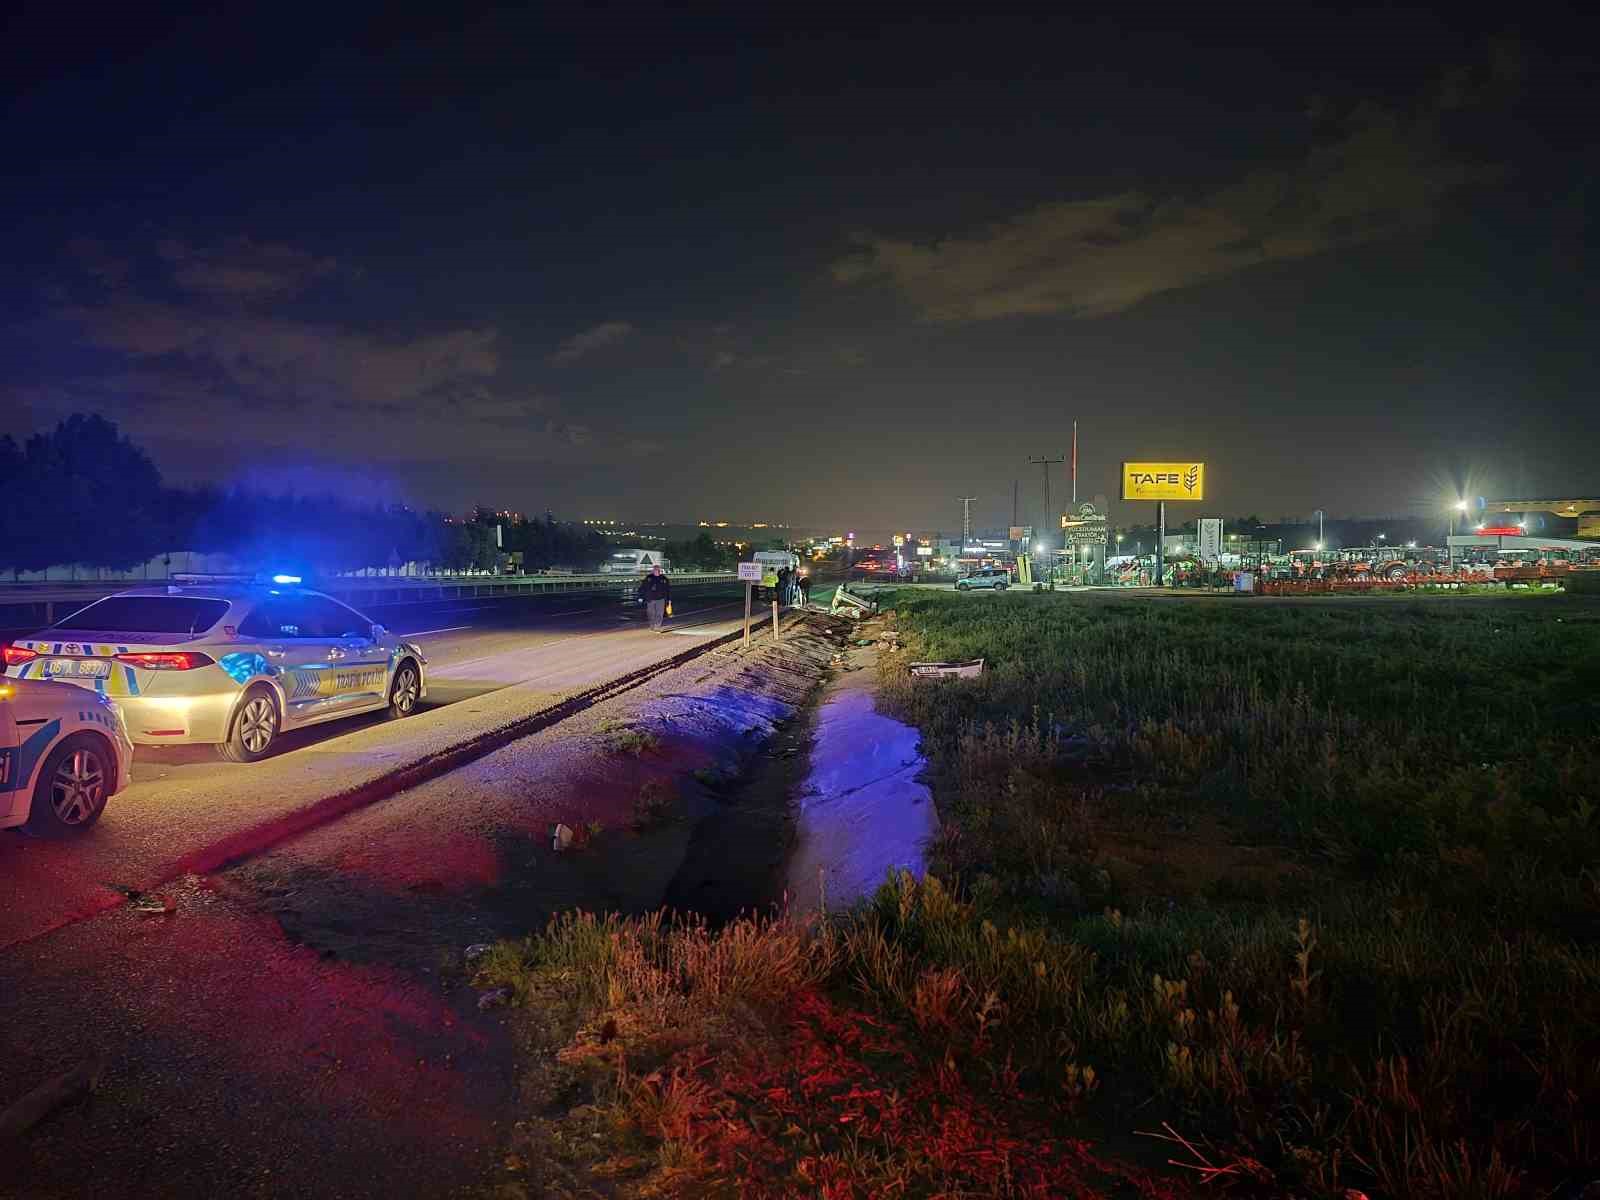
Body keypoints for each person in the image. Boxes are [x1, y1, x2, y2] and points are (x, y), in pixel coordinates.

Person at [638, 564, 671, 631]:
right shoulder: (649, 578)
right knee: (650, 613)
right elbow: (643, 587)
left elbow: (668, 590)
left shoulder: (664, 579)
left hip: (661, 599)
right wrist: (640, 596)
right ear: (653, 571)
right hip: (650, 599)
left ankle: (658, 626)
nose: (656, 571)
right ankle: (652, 625)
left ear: (659, 571)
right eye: (655, 570)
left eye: (657, 570)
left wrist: (669, 599)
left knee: (660, 613)